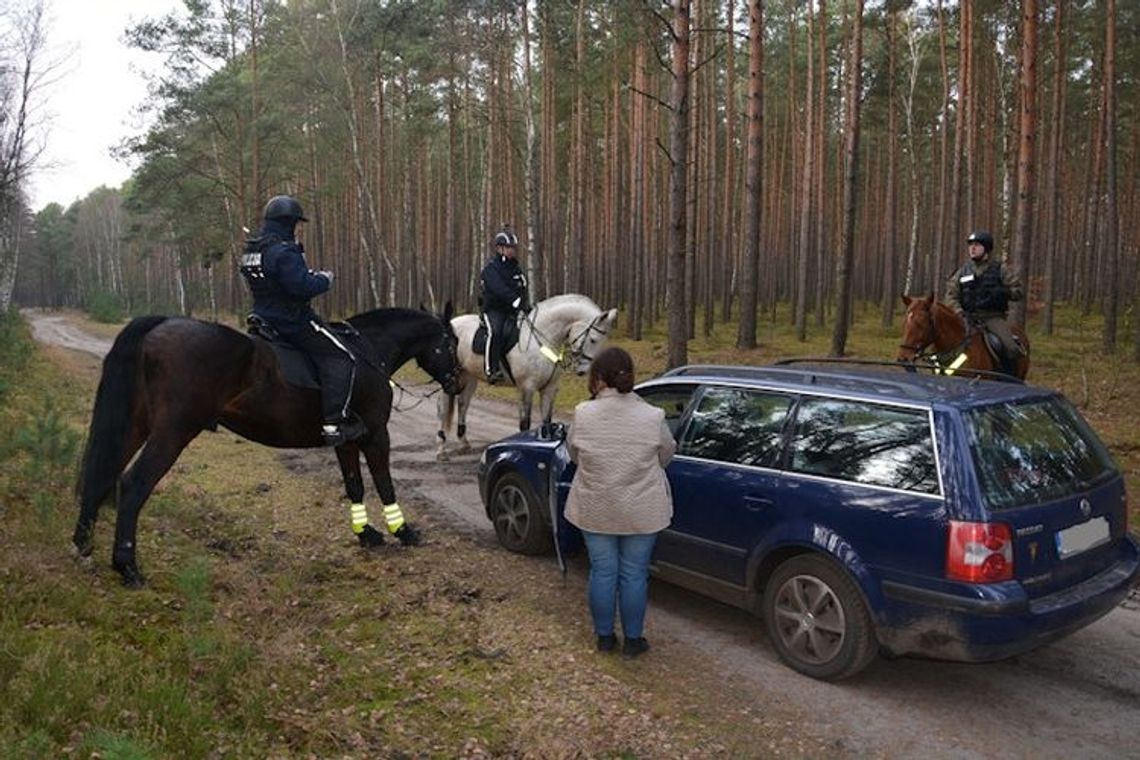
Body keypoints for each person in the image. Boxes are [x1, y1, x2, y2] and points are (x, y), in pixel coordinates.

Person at [565, 346, 676, 657]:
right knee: (634, 573)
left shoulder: (583, 413)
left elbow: (575, 454)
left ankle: (604, 637)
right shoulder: (653, 416)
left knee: (602, 570)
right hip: (642, 508)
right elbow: (666, 453)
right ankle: (633, 641)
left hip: (596, 504)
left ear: (598, 378)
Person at [239, 195, 365, 446]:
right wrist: (324, 279)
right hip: (292, 321)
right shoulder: (283, 251)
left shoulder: (253, 250)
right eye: (295, 224)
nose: (297, 229)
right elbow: (300, 286)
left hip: (262, 317)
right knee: (342, 357)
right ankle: (333, 423)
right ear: (288, 223)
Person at [944, 229, 1025, 376]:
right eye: (970, 245)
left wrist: (1004, 293)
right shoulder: (963, 271)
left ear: (986, 249)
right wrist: (958, 312)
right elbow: (950, 295)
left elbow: (1018, 291)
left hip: (992, 318)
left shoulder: (1000, 269)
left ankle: (1010, 379)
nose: (972, 248)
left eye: (977, 245)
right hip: (966, 317)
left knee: (1011, 347)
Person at [479, 225, 528, 383]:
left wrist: (525, 303)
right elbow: (498, 288)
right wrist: (515, 300)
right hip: (494, 310)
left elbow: (523, 285)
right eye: (509, 247)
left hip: (512, 311)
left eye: (513, 248)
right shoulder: (491, 268)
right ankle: (491, 369)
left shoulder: (516, 268)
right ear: (500, 248)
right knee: (496, 332)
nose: (512, 250)